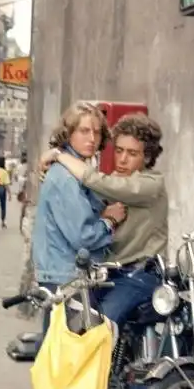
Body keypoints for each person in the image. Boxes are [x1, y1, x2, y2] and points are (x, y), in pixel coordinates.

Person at [29, 102, 125, 389]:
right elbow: (83, 235)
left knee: (54, 361)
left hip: (62, 275)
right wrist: (110, 221)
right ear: (68, 133)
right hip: (68, 278)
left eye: (97, 132)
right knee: (67, 367)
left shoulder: (71, 170)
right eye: (84, 130)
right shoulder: (66, 179)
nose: (91, 138)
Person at [43, 112, 166, 325]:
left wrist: (59, 155)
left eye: (132, 153)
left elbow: (98, 182)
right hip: (109, 273)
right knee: (71, 317)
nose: (123, 159)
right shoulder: (115, 180)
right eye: (118, 150)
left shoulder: (150, 184)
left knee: (99, 326)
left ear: (147, 157)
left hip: (140, 273)